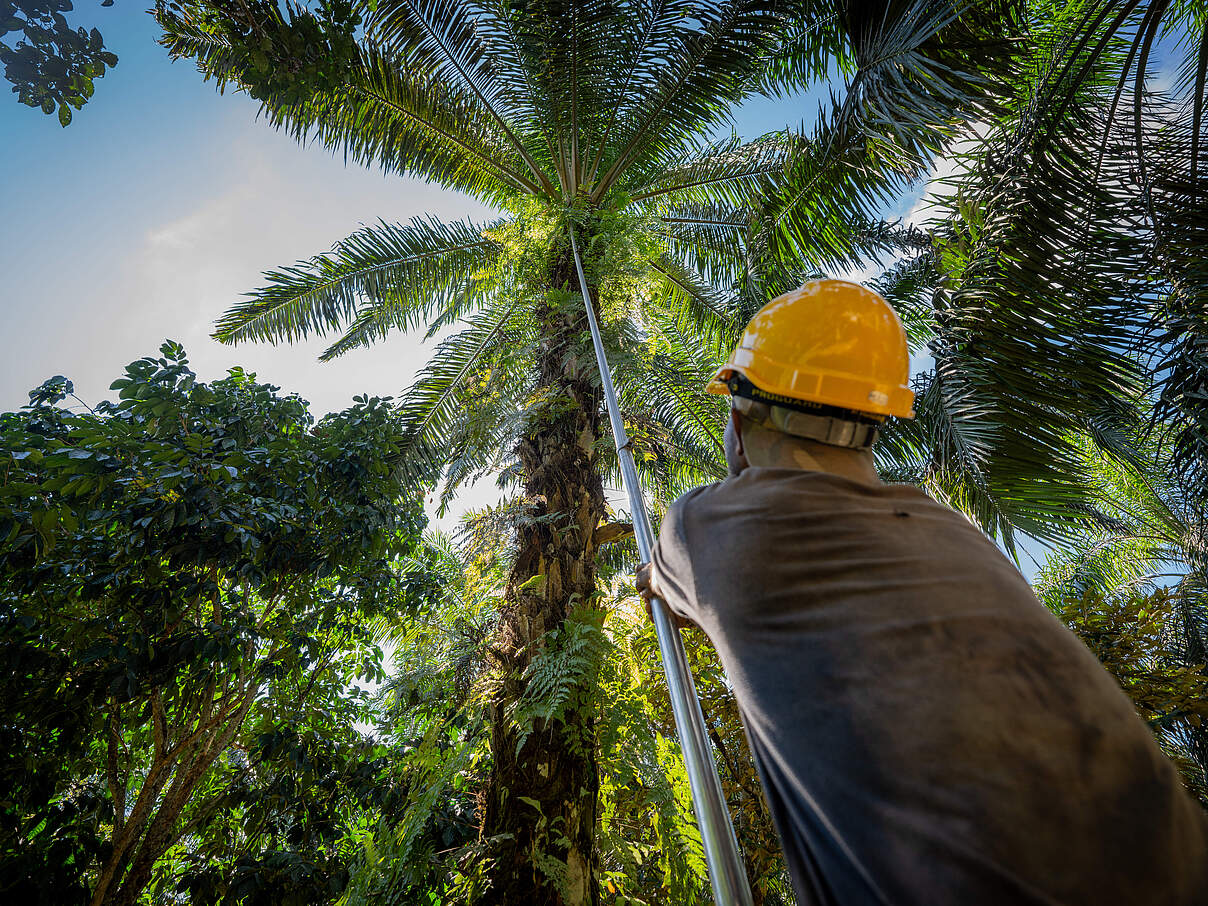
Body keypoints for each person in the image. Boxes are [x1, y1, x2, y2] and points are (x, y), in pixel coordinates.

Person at [635, 280, 1208, 905]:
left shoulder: (709, 526)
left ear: (741, 418)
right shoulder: (953, 528)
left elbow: (660, 585)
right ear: (877, 422)